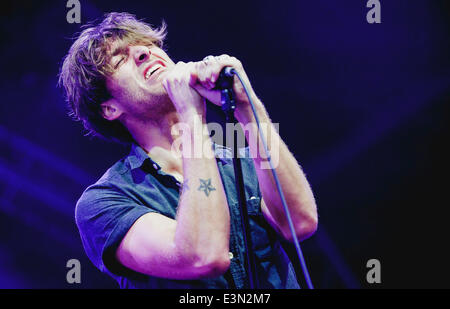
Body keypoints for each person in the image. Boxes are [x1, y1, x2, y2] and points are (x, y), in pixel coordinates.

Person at [59, 12, 318, 289]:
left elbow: (300, 222)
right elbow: (203, 256)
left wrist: (246, 106)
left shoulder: (241, 161)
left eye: (148, 44)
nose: (145, 53)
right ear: (110, 108)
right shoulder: (104, 202)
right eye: (120, 58)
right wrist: (191, 115)